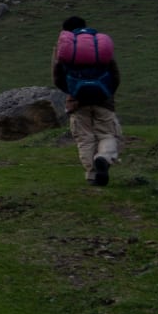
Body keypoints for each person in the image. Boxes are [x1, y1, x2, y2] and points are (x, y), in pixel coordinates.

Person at [53, 15, 121, 186]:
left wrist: (72, 92)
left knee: (85, 138)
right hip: (104, 101)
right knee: (108, 134)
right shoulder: (99, 45)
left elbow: (58, 77)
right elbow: (115, 74)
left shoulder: (64, 49)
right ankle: (103, 158)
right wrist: (107, 92)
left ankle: (92, 175)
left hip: (77, 102)